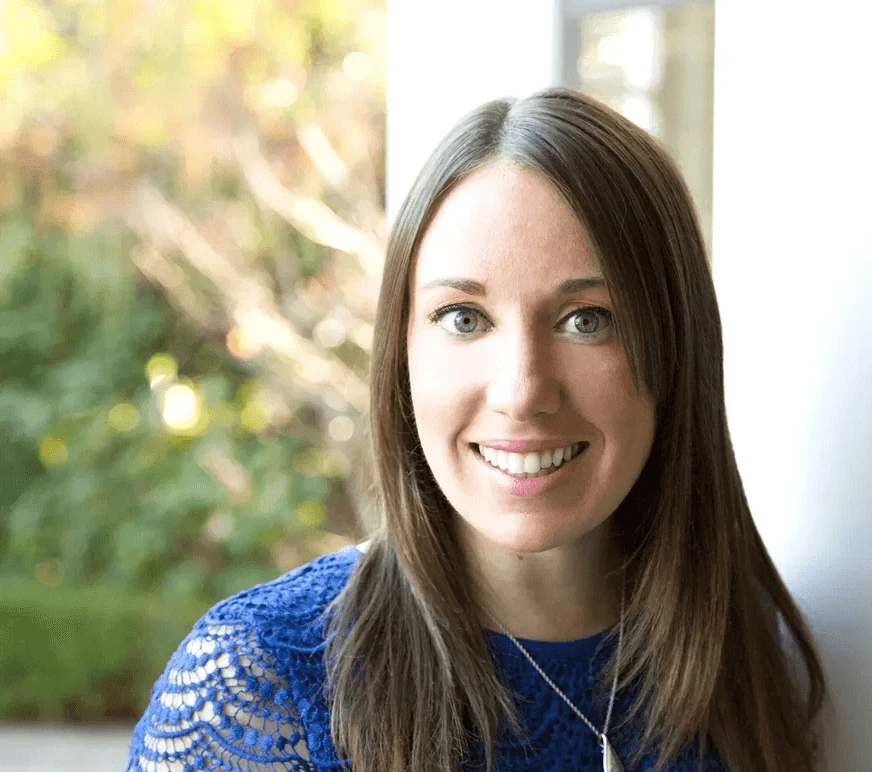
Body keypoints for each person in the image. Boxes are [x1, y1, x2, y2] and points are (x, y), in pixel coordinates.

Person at [125, 87, 828, 772]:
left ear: (676, 349)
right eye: (463, 318)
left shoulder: (744, 667)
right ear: (402, 355)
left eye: (586, 319)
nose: (521, 390)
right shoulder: (256, 684)